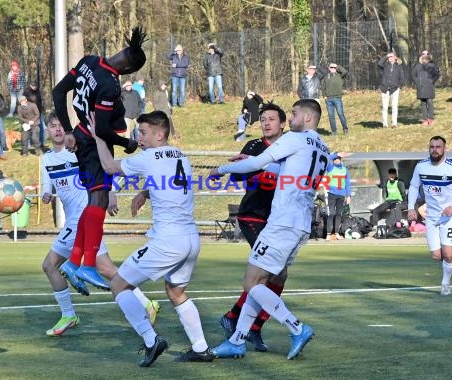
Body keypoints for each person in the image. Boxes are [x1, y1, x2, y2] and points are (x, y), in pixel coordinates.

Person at [209, 99, 329, 360]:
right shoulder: (323, 147)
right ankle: (237, 340)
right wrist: (258, 161)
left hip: (282, 223)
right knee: (262, 282)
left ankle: (296, 327)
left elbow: (254, 166)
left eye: (295, 114)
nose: (292, 119)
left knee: (251, 281)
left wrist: (221, 169)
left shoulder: (295, 138)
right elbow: (287, 171)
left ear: (307, 118)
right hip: (300, 225)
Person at [91, 110, 214, 366]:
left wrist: (99, 138)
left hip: (168, 241)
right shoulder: (181, 155)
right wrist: (145, 193)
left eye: (144, 132)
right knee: (176, 291)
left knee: (119, 285)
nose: (140, 137)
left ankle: (151, 340)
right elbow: (169, 181)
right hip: (191, 238)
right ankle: (201, 348)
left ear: (160, 134)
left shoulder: (150, 156)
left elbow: (109, 167)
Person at [40, 111, 159, 336]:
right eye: (52, 126)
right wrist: (46, 195)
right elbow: (48, 186)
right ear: (47, 130)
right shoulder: (46, 159)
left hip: (83, 216)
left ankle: (69, 314)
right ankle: (145, 303)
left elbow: (105, 166)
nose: (57, 129)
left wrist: (111, 191)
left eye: (59, 125)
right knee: (103, 268)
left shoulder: (75, 149)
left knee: (51, 265)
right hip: (78, 221)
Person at [52, 27, 146, 293]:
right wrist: (126, 142)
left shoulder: (89, 61)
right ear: (129, 68)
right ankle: (87, 265)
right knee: (99, 201)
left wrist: (70, 130)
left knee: (95, 202)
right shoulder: (109, 85)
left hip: (81, 137)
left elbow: (59, 93)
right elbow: (102, 130)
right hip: (94, 144)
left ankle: (74, 262)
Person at [219, 102, 286, 352]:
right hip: (253, 216)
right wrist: (261, 170)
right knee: (267, 272)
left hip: (279, 220)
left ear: (282, 124)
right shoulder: (254, 147)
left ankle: (245, 323)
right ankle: (241, 324)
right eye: (263, 119)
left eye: (271, 119)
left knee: (279, 275)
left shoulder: (290, 147)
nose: (266, 123)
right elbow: (238, 175)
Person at [407, 135, 452, 296]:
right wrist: (411, 208)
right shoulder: (421, 166)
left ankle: (445, 285)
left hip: (450, 216)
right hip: (432, 216)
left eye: (438, 147)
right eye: (432, 147)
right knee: (437, 255)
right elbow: (414, 186)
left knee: (449, 254)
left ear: (444, 149)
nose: (434, 150)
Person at [324, 156, 351, 240]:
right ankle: (328, 234)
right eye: (334, 160)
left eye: (337, 159)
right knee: (331, 213)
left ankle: (336, 233)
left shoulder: (344, 169)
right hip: (332, 194)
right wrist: (336, 154)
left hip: (341, 195)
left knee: (339, 214)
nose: (336, 161)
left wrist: (348, 196)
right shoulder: (330, 167)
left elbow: (347, 183)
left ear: (340, 160)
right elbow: (327, 158)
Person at [377, 52, 405, 128]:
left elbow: (402, 77)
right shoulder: (385, 65)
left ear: (395, 57)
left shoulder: (399, 66)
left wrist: (400, 86)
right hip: (385, 89)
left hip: (395, 89)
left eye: (392, 56)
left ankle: (394, 124)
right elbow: (379, 63)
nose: (390, 58)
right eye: (389, 57)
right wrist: (386, 55)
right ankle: (385, 124)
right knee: (385, 107)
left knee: (394, 107)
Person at [413, 50, 440, 125]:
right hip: (421, 87)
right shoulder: (417, 66)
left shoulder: (432, 65)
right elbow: (414, 75)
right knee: (423, 103)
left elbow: (437, 75)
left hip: (429, 87)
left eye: (427, 54)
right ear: (421, 55)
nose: (425, 55)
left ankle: (431, 119)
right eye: (423, 54)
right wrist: (418, 81)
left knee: (430, 102)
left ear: (429, 55)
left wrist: (432, 81)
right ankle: (425, 120)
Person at [320, 63, 349, 135]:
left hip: (337, 98)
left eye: (334, 67)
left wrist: (337, 66)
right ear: (329, 68)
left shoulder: (340, 75)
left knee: (340, 114)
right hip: (328, 99)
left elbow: (345, 72)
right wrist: (324, 95)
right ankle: (334, 131)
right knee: (331, 116)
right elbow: (323, 86)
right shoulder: (326, 76)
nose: (333, 68)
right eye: (331, 67)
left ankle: (345, 129)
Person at [23, 81, 46, 145]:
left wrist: (42, 108)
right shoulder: (26, 92)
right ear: (30, 85)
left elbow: (40, 101)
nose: (34, 87)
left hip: (39, 112)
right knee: (28, 128)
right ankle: (28, 144)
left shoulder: (38, 92)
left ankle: (41, 143)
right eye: (33, 85)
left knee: (42, 128)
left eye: (35, 85)